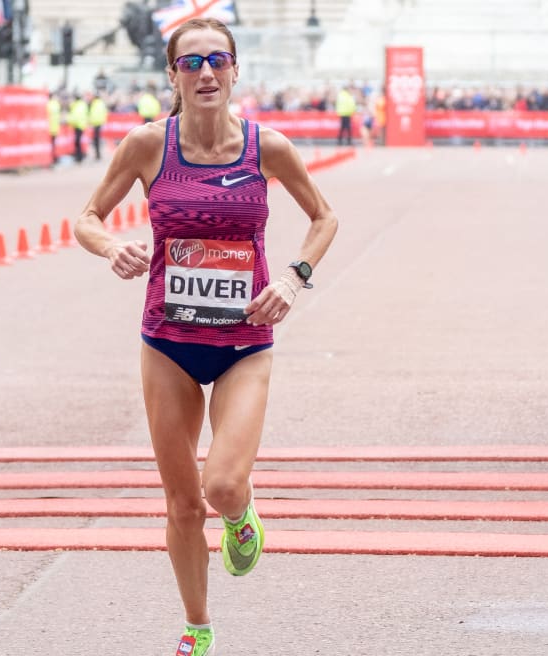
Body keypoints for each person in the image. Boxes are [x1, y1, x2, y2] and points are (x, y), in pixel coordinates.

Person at [73, 17, 337, 656]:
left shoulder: (267, 148)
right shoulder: (146, 146)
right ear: (172, 76)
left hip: (245, 340)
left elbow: (324, 218)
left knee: (220, 487)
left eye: (217, 60)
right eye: (190, 63)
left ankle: (243, 518)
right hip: (167, 341)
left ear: (236, 69)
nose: (206, 73)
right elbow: (87, 218)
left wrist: (295, 280)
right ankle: (197, 627)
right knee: (183, 504)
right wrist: (112, 246)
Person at [66, 93, 88, 164]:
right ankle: (79, 156)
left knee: (77, 142)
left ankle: (79, 157)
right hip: (80, 125)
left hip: (78, 125)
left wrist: (69, 121)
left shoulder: (77, 105)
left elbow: (75, 116)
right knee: (77, 142)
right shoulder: (81, 105)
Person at [87, 91, 109, 161]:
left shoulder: (95, 103)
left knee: (96, 140)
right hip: (98, 123)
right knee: (97, 140)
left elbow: (93, 114)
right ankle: (98, 154)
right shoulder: (100, 103)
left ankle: (98, 154)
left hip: (96, 123)